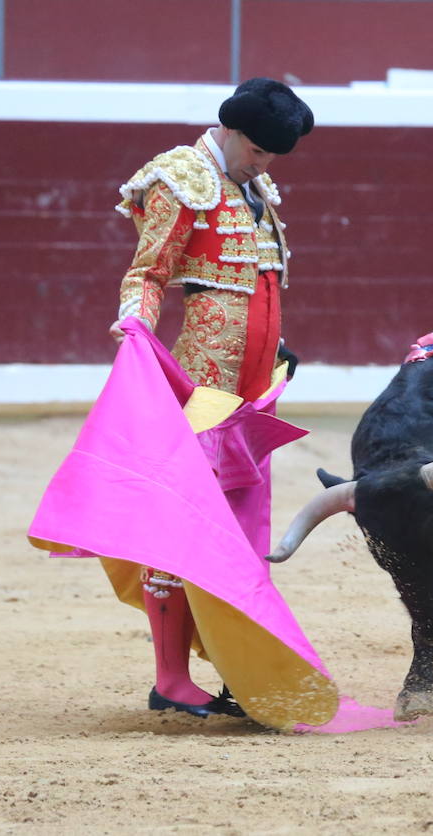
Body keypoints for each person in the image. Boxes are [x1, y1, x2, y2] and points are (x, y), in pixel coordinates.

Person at [104, 77, 312, 717]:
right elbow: (149, 273)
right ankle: (169, 679)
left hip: (254, 389)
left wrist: (279, 346)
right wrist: (135, 333)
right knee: (183, 524)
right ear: (235, 131)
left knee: (242, 533)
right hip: (203, 383)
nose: (266, 165)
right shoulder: (181, 177)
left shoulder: (256, 188)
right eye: (260, 152)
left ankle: (238, 672)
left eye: (275, 156)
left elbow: (259, 285)